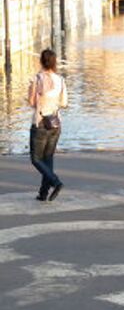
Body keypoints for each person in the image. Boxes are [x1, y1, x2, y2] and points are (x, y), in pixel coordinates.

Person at [27, 49, 67, 202]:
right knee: (48, 158)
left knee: (36, 159)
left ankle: (55, 182)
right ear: (54, 62)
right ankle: (43, 193)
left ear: (41, 62)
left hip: (40, 122)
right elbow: (64, 103)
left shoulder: (37, 79)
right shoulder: (61, 80)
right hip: (56, 123)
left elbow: (31, 102)